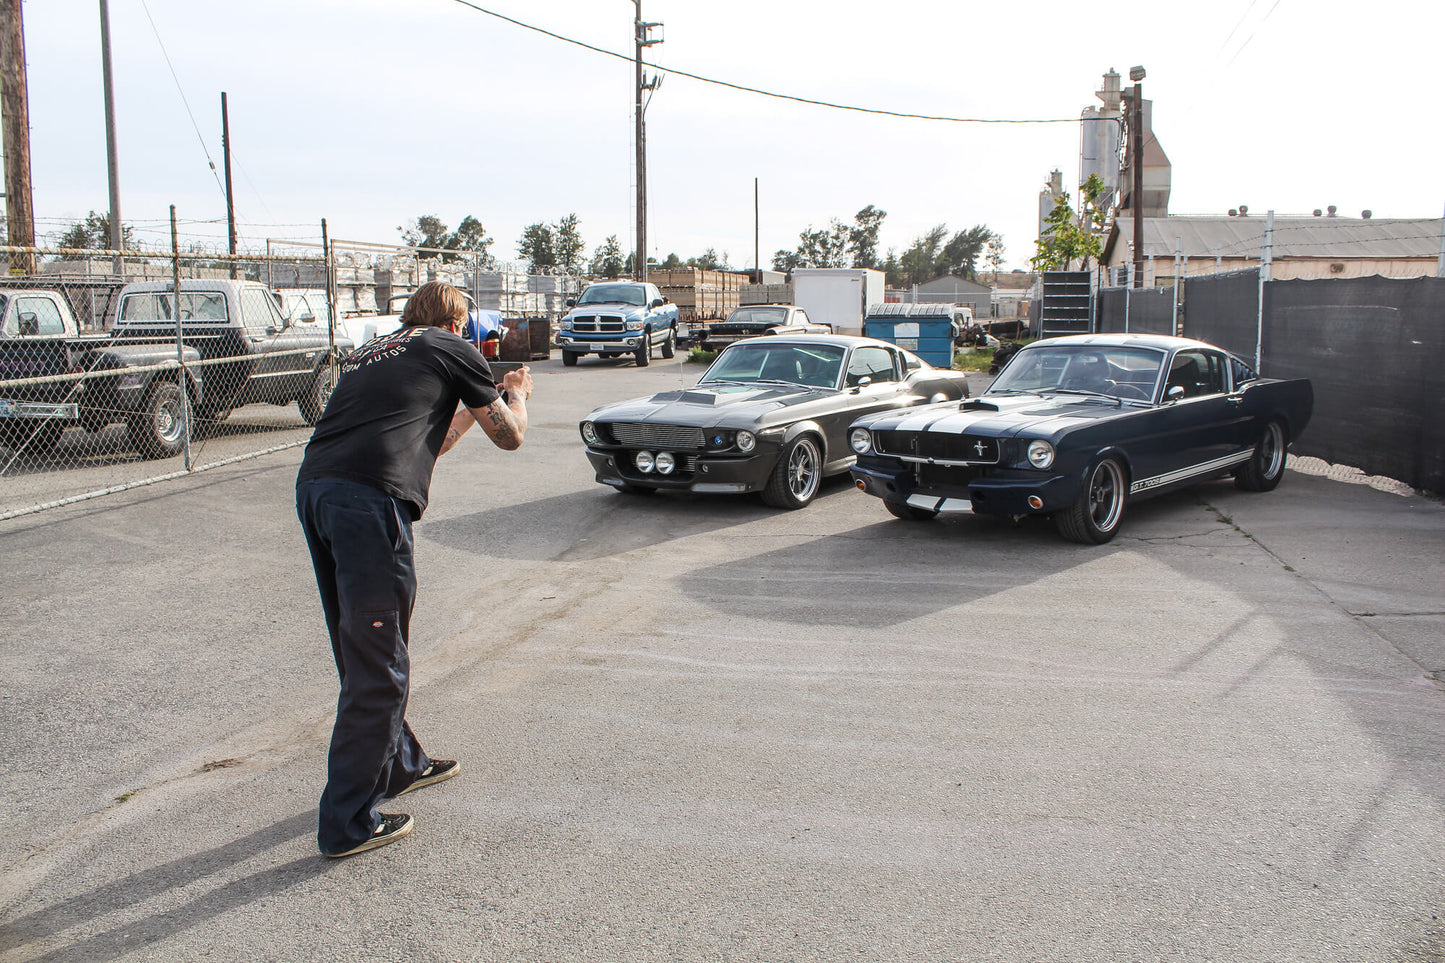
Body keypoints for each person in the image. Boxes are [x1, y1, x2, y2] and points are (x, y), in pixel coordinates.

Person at [295, 280, 534, 859]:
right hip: (368, 503)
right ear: (457, 323)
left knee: (363, 645)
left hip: (319, 492)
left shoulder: (378, 349)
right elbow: (513, 436)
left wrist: (474, 406)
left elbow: (435, 440)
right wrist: (516, 394)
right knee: (381, 661)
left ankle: (402, 764)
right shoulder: (451, 346)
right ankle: (347, 823)